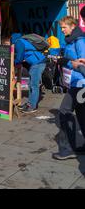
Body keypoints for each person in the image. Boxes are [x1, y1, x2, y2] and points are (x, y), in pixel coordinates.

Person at [52, 16, 85, 160]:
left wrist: (66, 62)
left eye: (64, 27)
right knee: (83, 117)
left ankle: (67, 149)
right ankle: (82, 146)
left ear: (73, 26)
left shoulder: (80, 41)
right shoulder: (71, 40)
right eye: (61, 27)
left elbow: (82, 65)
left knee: (63, 113)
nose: (62, 30)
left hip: (80, 85)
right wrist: (60, 60)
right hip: (77, 84)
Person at [11, 33, 48, 114]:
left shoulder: (18, 42)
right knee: (31, 84)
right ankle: (29, 103)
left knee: (34, 85)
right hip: (38, 62)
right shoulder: (22, 41)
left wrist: (12, 62)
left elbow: (19, 57)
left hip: (38, 63)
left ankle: (32, 106)